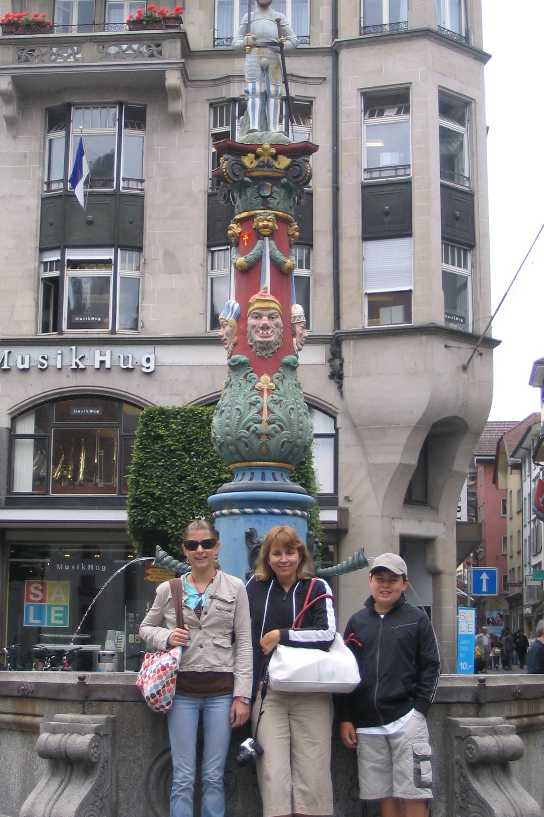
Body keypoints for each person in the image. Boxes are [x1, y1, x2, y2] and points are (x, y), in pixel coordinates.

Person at [139, 518, 253, 817]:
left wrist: (242, 696)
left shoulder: (235, 587)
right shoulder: (169, 589)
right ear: (184, 550)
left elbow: (243, 644)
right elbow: (145, 628)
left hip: (221, 693)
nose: (200, 550)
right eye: (192, 545)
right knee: (183, 776)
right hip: (182, 693)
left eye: (206, 544)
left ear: (217, 547)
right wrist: (166, 636)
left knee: (214, 776)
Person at [336, 553, 440, 817]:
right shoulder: (357, 622)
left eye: (392, 580)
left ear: (404, 583)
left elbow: (431, 666)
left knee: (415, 794)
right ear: (370, 580)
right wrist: (346, 717)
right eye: (380, 579)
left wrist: (419, 710)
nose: (385, 585)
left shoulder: (417, 619)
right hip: (369, 726)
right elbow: (346, 672)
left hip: (407, 721)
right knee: (383, 797)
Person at [246, 525, 336, 817]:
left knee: (314, 777)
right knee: (273, 777)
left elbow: (327, 634)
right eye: (276, 553)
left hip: (312, 693)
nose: (283, 559)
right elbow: (242, 640)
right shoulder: (254, 588)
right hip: (268, 694)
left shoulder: (318, 587)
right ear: (267, 557)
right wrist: (243, 695)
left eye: (290, 552)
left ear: (301, 554)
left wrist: (281, 636)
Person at [233, 0, 298, 134]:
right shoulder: (248, 17)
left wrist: (281, 46)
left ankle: (273, 128)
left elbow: (294, 40)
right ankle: (254, 126)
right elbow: (235, 42)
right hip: (254, 53)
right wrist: (245, 42)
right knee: (253, 90)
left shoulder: (278, 17)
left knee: (274, 92)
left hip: (273, 54)